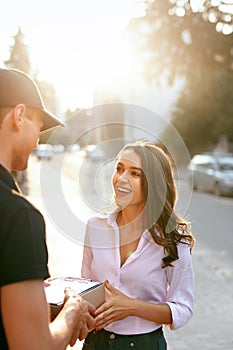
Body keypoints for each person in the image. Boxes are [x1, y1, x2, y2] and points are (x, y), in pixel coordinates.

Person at [0, 67, 95, 350]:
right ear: (18, 116)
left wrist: (42, 310)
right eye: (38, 128)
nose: (38, 141)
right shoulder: (17, 216)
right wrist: (73, 310)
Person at [81, 140, 195, 349]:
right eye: (119, 169)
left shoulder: (173, 239)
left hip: (144, 344)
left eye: (135, 173)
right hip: (96, 342)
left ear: (153, 183)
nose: (121, 179)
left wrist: (132, 307)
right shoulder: (95, 227)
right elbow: (85, 289)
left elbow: (183, 309)